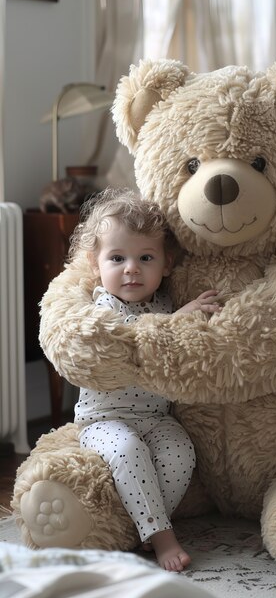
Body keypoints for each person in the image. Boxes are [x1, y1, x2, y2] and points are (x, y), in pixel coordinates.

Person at [69, 187, 221, 572]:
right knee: (128, 451)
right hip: (103, 420)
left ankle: (139, 529)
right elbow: (134, 338)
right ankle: (163, 537)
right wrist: (180, 319)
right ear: (96, 263)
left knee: (180, 453)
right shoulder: (104, 306)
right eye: (117, 258)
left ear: (166, 264)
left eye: (145, 257)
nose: (131, 268)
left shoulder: (164, 302)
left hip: (156, 418)